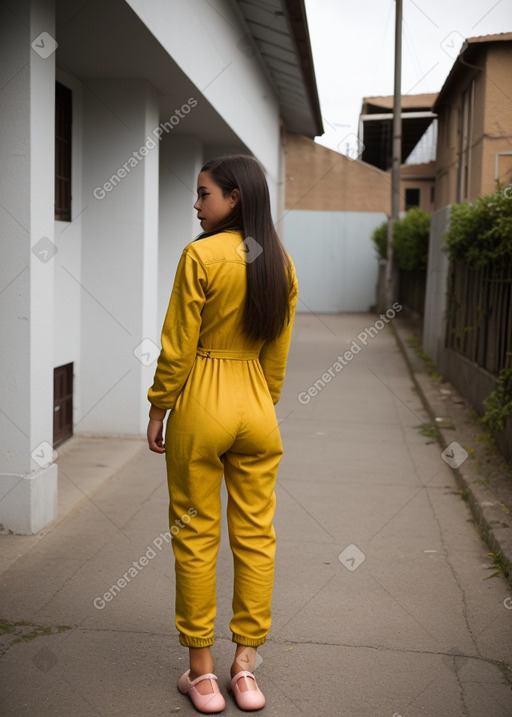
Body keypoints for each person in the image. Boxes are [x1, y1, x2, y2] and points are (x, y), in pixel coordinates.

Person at [147, 154, 298, 713]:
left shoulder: (200, 256)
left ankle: (203, 675)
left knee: (195, 534)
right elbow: (276, 356)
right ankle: (246, 670)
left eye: (204, 193)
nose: (196, 203)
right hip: (256, 406)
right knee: (257, 535)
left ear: (234, 198)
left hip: (202, 404)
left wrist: (160, 407)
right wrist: (262, 402)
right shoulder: (279, 264)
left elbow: (178, 343)